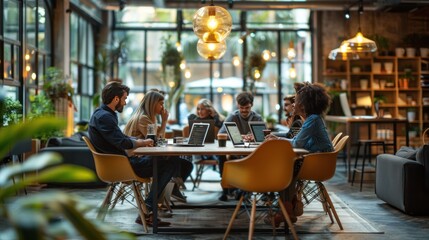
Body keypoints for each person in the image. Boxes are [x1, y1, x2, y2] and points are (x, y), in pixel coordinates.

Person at [88, 82, 176, 227]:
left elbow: (120, 139)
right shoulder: (105, 117)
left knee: (169, 161)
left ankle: (153, 206)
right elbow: (122, 143)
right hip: (121, 166)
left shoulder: (102, 114)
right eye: (124, 98)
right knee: (170, 163)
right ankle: (148, 207)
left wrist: (138, 140)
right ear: (116, 99)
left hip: (120, 162)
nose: (125, 101)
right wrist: (143, 142)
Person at [265, 82, 334, 226]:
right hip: (315, 161)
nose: (294, 103)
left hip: (319, 164)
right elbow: (296, 140)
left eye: (296, 101)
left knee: (284, 169)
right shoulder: (312, 119)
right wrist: (278, 138)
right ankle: (287, 208)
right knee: (286, 167)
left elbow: (297, 144)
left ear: (304, 104)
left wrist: (278, 140)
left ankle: (285, 210)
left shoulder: (313, 119)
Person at [123, 90, 193, 203]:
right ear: (153, 104)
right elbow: (156, 142)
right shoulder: (143, 118)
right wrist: (164, 121)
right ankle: (155, 202)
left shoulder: (148, 118)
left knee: (187, 165)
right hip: (136, 161)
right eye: (161, 103)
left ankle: (172, 190)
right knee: (172, 162)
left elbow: (157, 141)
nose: (162, 107)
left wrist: (162, 122)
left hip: (139, 159)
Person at [217, 92, 263, 201]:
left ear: (251, 105)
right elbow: (220, 134)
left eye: (247, 107)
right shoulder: (233, 116)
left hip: (252, 155)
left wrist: (254, 137)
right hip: (235, 153)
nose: (244, 110)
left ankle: (244, 190)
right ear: (238, 105)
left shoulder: (257, 118)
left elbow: (262, 138)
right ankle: (226, 188)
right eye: (241, 107)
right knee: (221, 155)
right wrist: (239, 136)